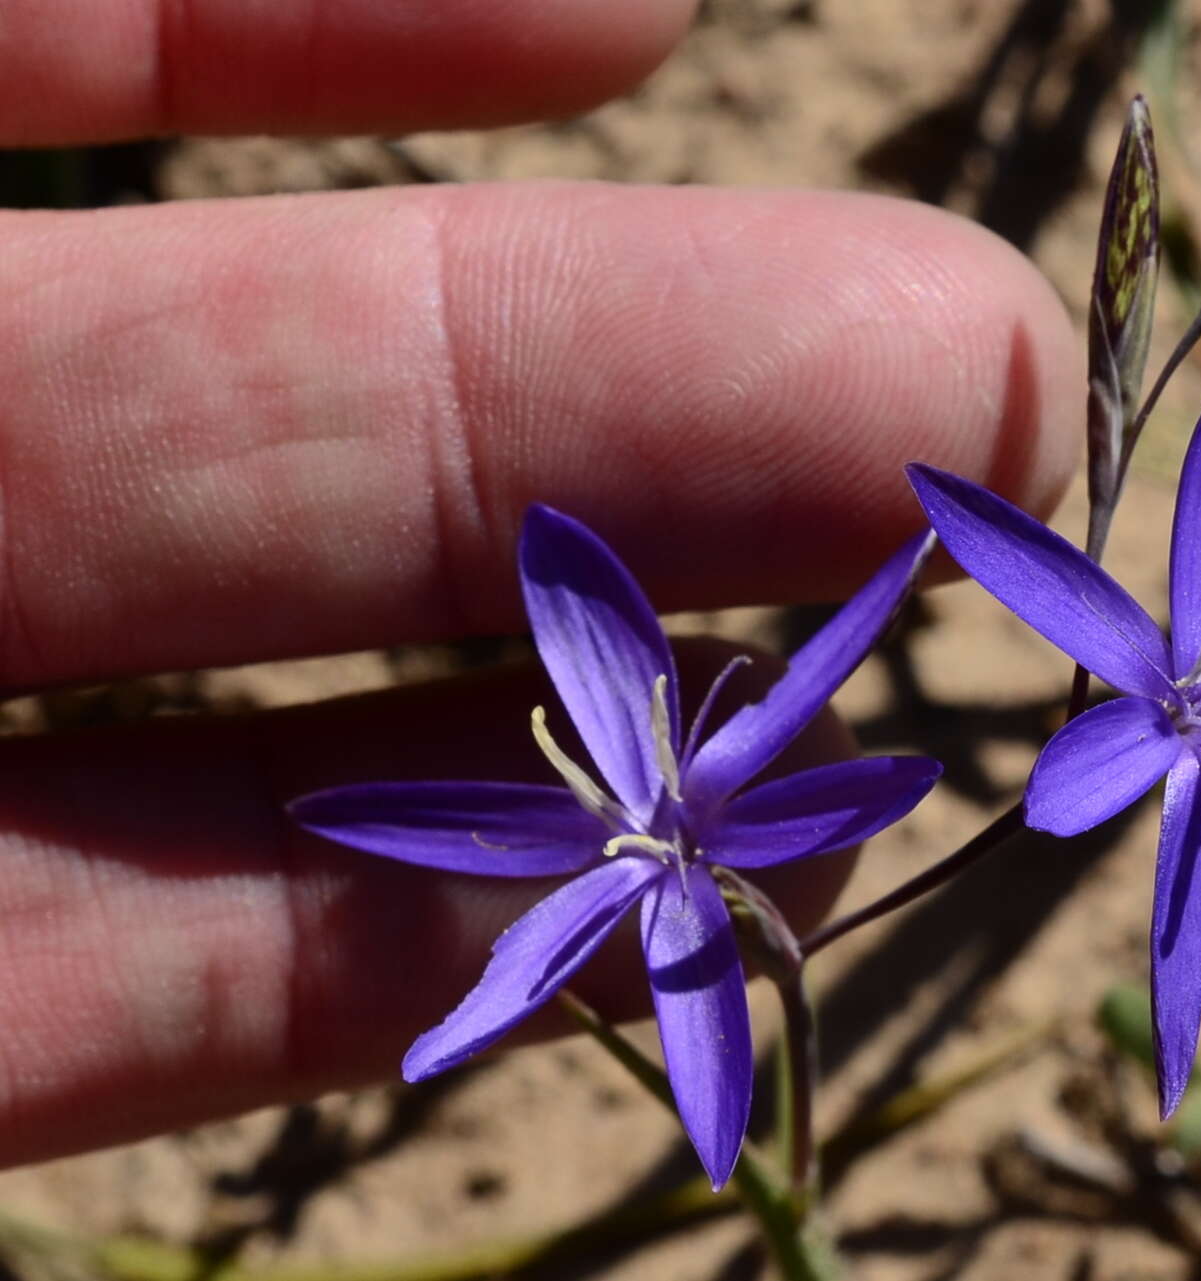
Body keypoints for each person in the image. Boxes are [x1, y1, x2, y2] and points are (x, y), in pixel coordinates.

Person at [0, 0, 1080, 1167]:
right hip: (660, 873)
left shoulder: (690, 829)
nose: (654, 818)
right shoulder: (658, 848)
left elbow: (865, 764)